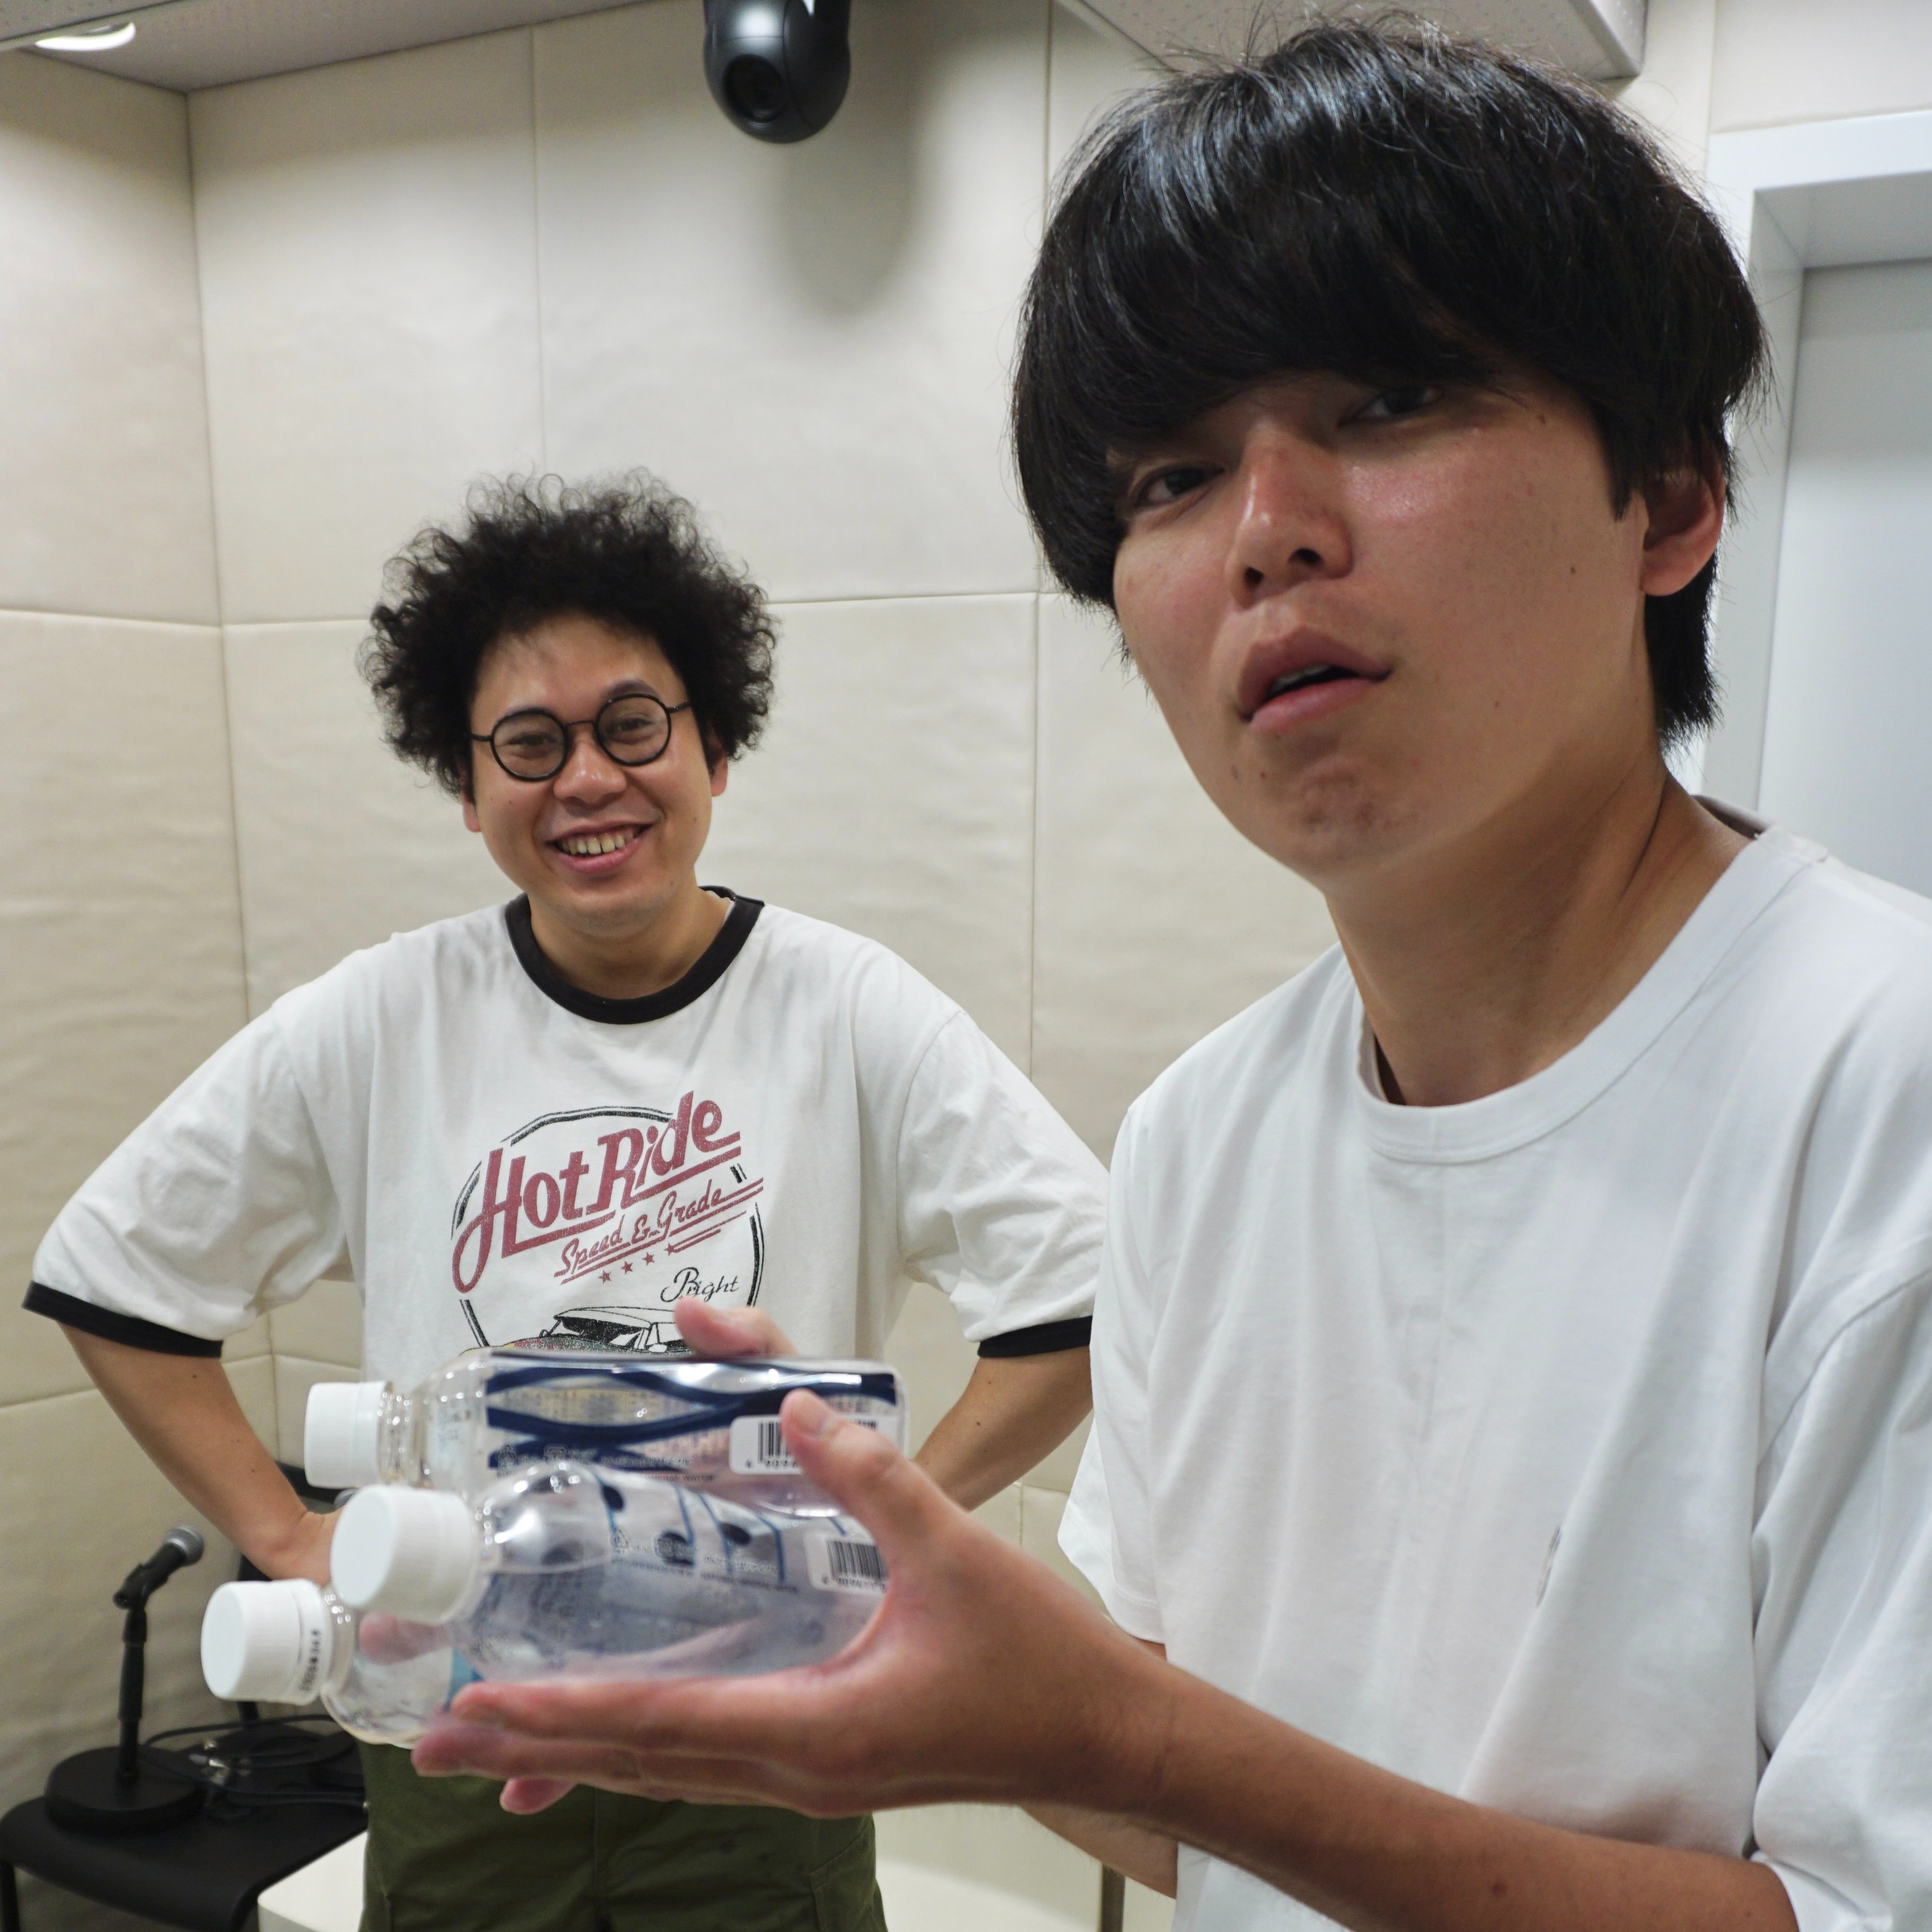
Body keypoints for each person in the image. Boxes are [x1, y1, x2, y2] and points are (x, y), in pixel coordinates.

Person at [413, 25, 1932, 1932]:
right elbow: (1186, 1827)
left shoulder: (1881, 1089)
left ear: (1672, 499)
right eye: (1171, 477)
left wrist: (1135, 1742)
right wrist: (879, 1633)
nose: (1269, 529)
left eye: (1391, 397)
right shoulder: (1203, 1142)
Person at [26, 475, 1106, 1932]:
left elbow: (1084, 1294)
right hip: (462, 1725)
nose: (587, 779)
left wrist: (871, 1536)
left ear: (717, 746)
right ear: (468, 790)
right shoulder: (382, 1017)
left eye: (633, 726)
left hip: (763, 1734)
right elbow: (117, 1273)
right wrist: (289, 1539)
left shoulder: (850, 1010)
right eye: (529, 745)